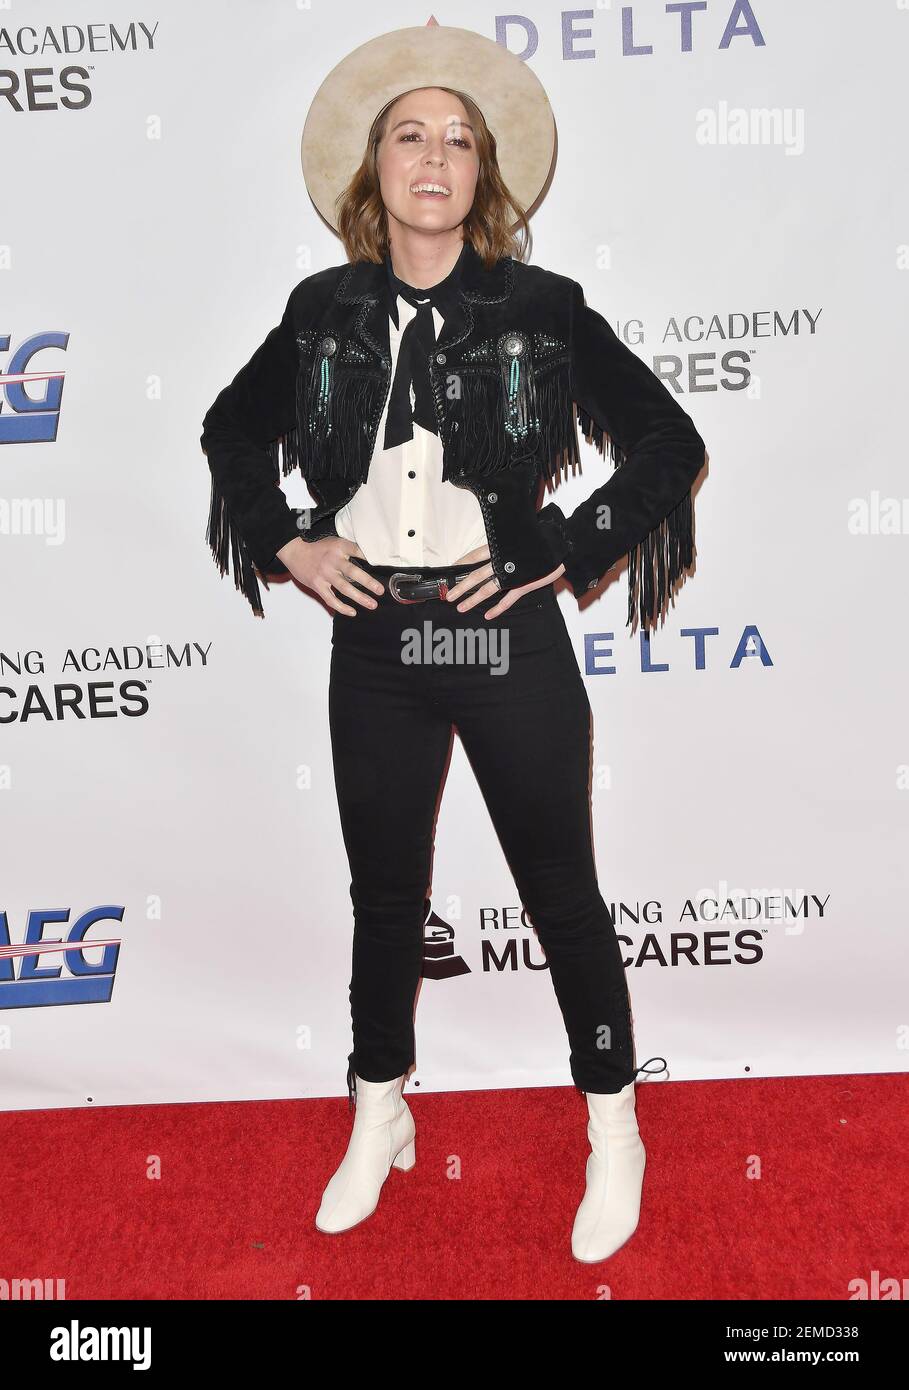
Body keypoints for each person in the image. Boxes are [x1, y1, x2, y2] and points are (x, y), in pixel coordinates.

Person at [200, 24, 706, 1263]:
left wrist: (564, 548)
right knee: (386, 897)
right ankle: (381, 1112)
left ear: (486, 177)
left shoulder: (541, 310)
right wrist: (289, 543)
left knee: (564, 900)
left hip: (506, 638)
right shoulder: (320, 311)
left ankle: (614, 1127)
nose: (435, 157)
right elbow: (227, 430)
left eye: (460, 140)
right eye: (410, 136)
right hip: (376, 639)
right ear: (374, 171)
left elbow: (667, 441)